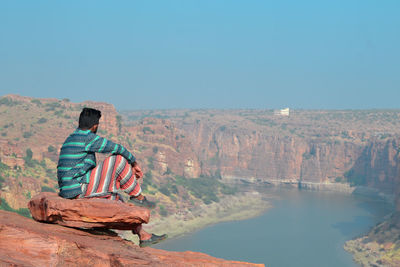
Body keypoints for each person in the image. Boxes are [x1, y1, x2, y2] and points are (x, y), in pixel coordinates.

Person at [57, 107, 166, 247]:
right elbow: (116, 148)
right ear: (95, 125)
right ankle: (139, 197)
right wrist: (134, 162)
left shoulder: (71, 138)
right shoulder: (87, 138)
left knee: (116, 199)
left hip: (71, 189)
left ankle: (143, 236)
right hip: (78, 189)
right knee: (118, 160)